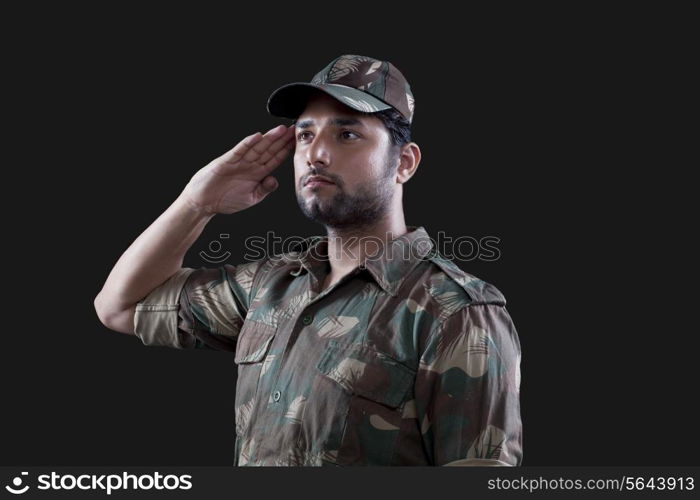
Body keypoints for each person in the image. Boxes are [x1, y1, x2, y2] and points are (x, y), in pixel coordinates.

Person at [94, 54, 523, 466]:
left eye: (346, 134)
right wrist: (196, 203)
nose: (316, 153)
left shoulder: (456, 312)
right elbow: (118, 307)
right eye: (304, 134)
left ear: (404, 163)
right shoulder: (269, 287)